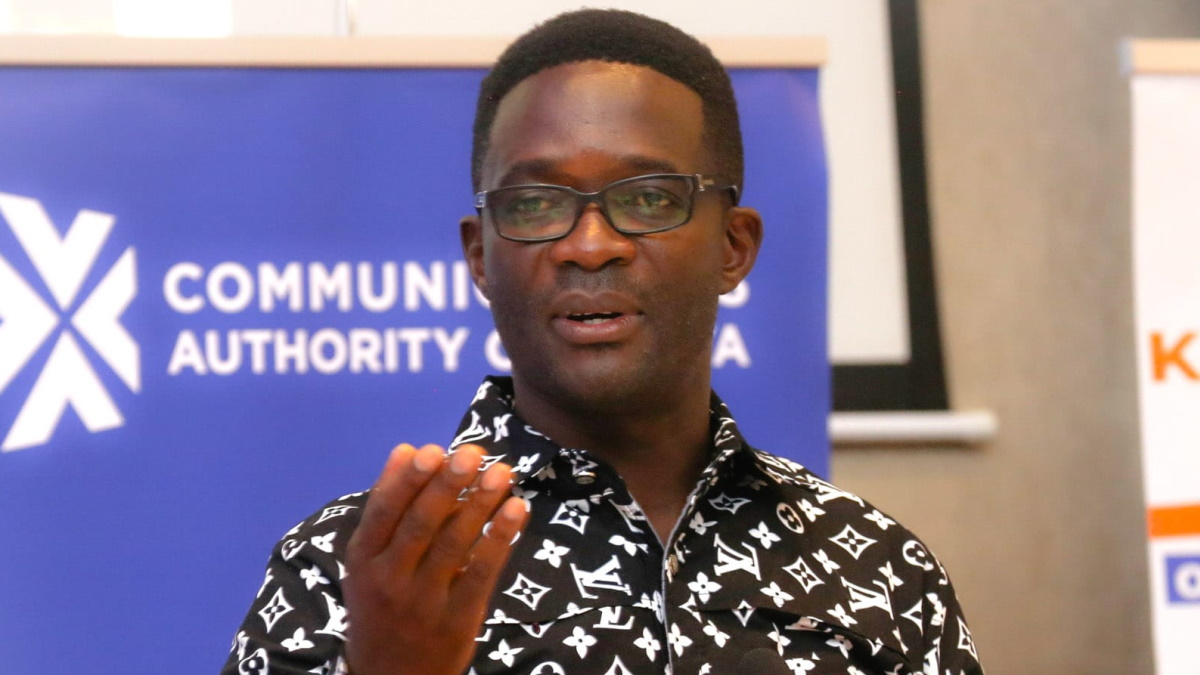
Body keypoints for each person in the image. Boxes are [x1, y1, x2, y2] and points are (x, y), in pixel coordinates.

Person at [221, 9, 984, 675]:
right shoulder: (352, 571)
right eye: (535, 203)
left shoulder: (877, 567)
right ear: (481, 257)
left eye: (648, 197)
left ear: (734, 246)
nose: (589, 245)